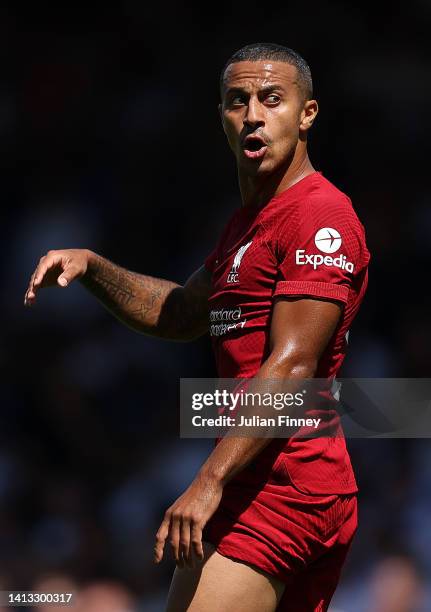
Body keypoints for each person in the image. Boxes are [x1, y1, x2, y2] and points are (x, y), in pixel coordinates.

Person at [24, 43, 370, 612]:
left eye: (272, 99)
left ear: (307, 114)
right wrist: (93, 266)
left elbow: (293, 366)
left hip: (287, 487)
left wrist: (206, 481)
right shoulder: (248, 224)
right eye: (239, 101)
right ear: (223, 119)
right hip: (258, 481)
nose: (254, 114)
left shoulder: (319, 214)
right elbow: (185, 312)